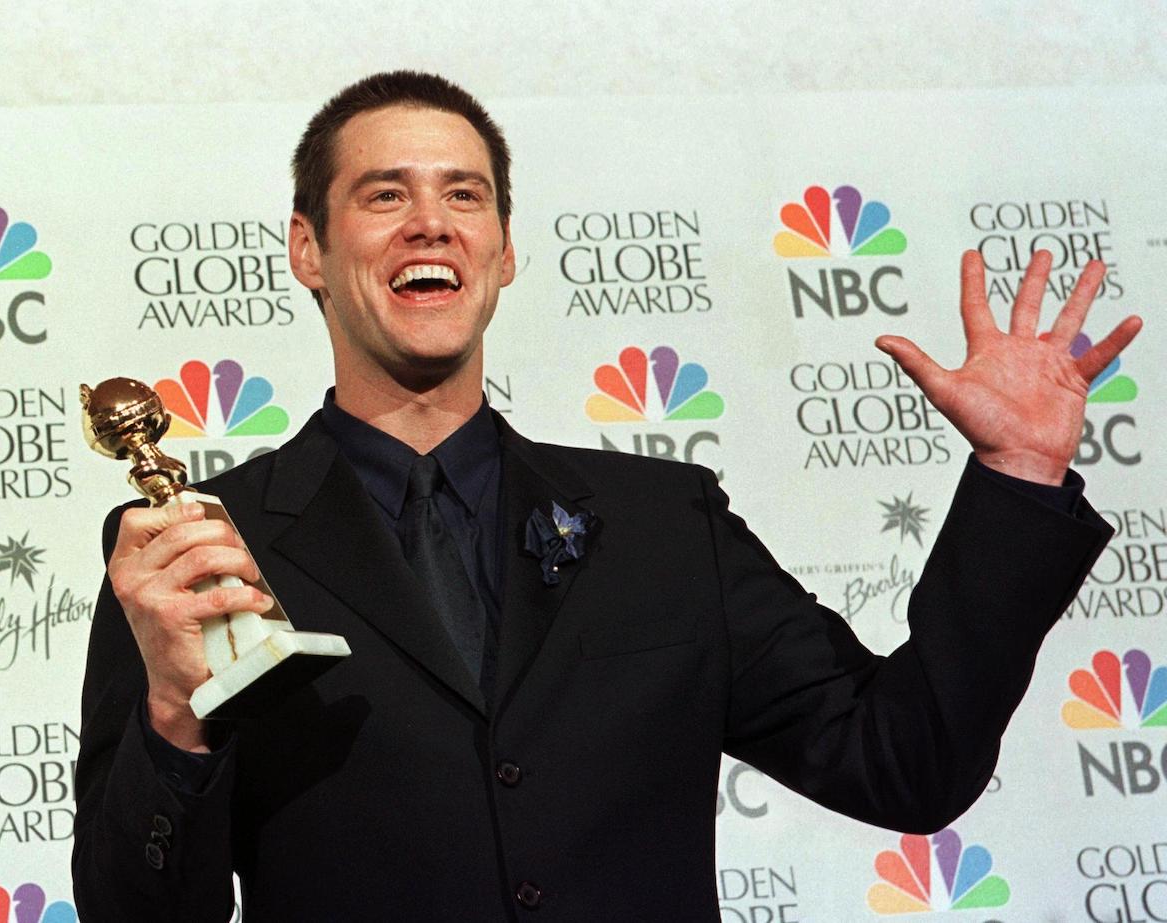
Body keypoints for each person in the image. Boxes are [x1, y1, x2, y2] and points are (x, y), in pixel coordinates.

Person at [72, 71, 1141, 922]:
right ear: (309, 247)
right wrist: (175, 714)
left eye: (464, 195)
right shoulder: (194, 546)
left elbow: (903, 763)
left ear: (503, 250)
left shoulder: (663, 524)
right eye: (384, 194)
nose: (429, 223)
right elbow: (139, 907)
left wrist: (1017, 479)